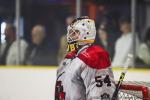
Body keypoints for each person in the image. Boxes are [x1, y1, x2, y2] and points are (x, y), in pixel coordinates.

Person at [55, 16, 115, 100]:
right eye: (70, 32)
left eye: (75, 32)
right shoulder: (69, 58)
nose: (70, 36)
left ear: (86, 33)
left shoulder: (95, 55)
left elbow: (102, 93)